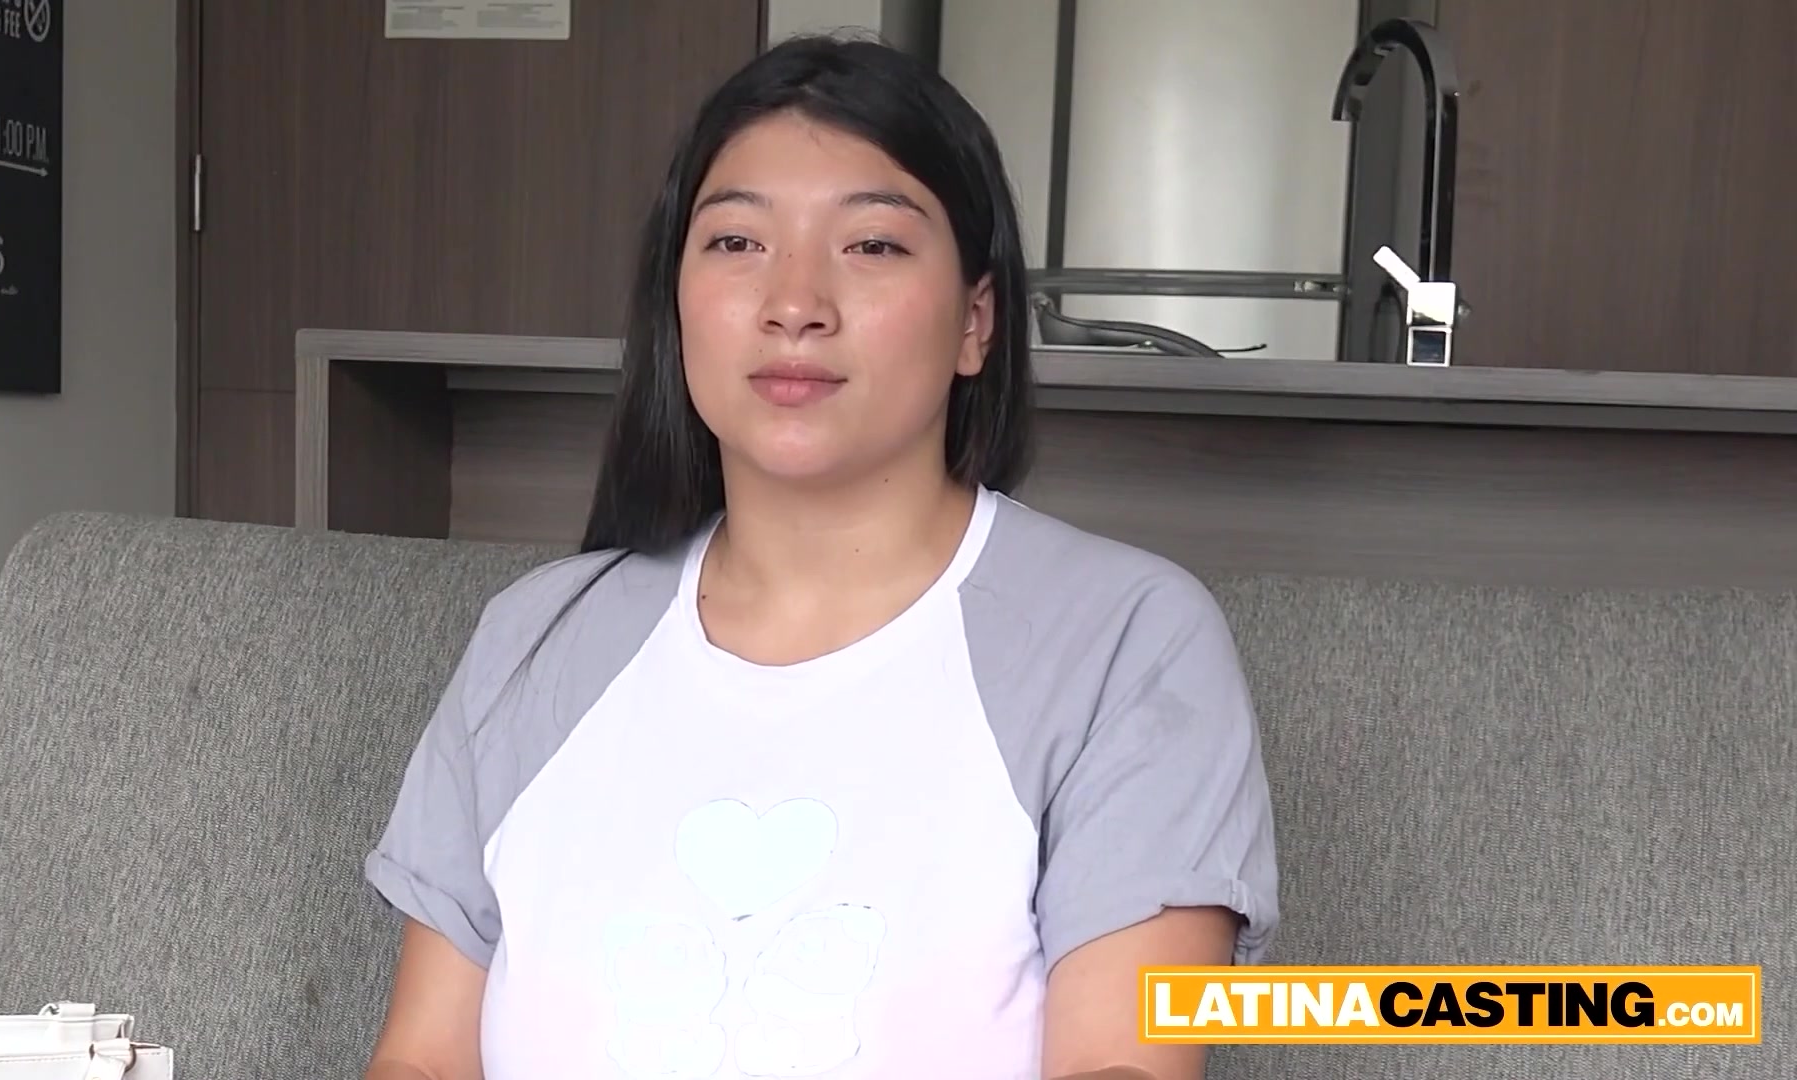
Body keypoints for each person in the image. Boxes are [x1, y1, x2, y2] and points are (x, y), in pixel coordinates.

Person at [360, 32, 1278, 1080]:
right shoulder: (533, 640)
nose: (794, 303)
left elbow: (1122, 1063)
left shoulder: (1127, 642)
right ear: (674, 302)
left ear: (976, 321)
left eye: (872, 245)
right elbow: (423, 1059)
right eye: (736, 242)